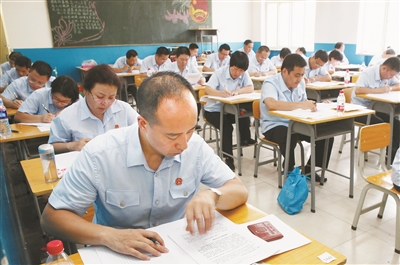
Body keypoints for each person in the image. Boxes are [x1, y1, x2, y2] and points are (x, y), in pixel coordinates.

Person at [40, 71, 248, 261]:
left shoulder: (195, 147)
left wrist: (213, 195)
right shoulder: (101, 154)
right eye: (172, 135)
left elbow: (239, 190)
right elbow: (51, 218)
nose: (184, 144)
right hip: (117, 254)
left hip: (177, 251)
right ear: (143, 124)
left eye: (191, 130)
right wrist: (110, 236)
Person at [260, 54, 333, 182]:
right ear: (284, 71)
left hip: (295, 123)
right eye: (296, 75)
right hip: (274, 125)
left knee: (326, 135)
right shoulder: (270, 83)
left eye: (302, 75)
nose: (300, 79)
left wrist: (316, 105)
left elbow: (303, 103)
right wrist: (301, 104)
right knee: (289, 135)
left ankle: (310, 169)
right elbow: (271, 104)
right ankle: (289, 171)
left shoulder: (300, 84)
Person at [48, 64, 139, 154]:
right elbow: (53, 146)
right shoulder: (67, 116)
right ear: (85, 91)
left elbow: (143, 131)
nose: (105, 103)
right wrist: (72, 146)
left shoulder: (124, 109)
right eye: (99, 97)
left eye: (111, 97)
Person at [204, 51, 255, 171]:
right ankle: (228, 158)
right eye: (235, 69)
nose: (237, 73)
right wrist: (219, 93)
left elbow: (250, 87)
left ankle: (244, 138)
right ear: (230, 65)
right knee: (227, 127)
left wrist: (238, 92)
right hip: (214, 110)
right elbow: (207, 89)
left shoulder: (244, 73)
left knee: (242, 114)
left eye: (241, 71)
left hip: (229, 108)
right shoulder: (219, 73)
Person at [351, 57, 400, 163]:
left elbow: (398, 84)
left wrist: (390, 88)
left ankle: (390, 159)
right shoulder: (368, 73)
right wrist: (379, 90)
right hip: (360, 109)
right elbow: (358, 90)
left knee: (396, 124)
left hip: (376, 107)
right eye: (391, 75)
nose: (391, 77)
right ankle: (368, 154)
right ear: (384, 68)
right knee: (382, 125)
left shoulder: (388, 75)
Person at [165, 46, 205, 130]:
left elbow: (200, 76)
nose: (184, 62)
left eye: (186, 60)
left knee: (197, 102)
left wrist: (201, 80)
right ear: (176, 58)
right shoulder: (168, 67)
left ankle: (193, 122)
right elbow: (164, 82)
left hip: (188, 94)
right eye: (181, 59)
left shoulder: (190, 66)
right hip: (173, 96)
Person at [14, 76, 81, 123]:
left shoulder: (77, 98)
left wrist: (66, 111)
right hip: (41, 137)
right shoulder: (39, 94)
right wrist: (41, 118)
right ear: (51, 92)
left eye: (65, 101)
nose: (60, 103)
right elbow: (18, 116)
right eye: (56, 99)